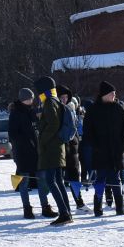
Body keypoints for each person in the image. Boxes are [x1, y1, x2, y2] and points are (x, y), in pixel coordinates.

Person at [81, 81, 124, 216]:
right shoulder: (93, 109)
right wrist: (95, 145)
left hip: (116, 150)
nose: (114, 96)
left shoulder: (118, 108)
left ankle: (120, 207)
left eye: (115, 93)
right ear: (104, 94)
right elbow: (87, 130)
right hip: (100, 151)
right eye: (111, 94)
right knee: (100, 180)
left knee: (116, 179)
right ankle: (98, 208)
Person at [35, 77, 76, 225]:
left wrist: (43, 140)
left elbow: (53, 124)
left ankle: (64, 213)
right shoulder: (55, 101)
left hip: (51, 148)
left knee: (51, 181)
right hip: (57, 147)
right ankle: (67, 212)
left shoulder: (49, 102)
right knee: (57, 180)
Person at [8, 88, 50, 219]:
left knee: (42, 180)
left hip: (37, 152)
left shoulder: (32, 111)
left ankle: (45, 207)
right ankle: (27, 208)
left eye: (32, 98)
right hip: (23, 153)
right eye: (29, 98)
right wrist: (26, 143)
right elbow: (13, 135)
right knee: (24, 182)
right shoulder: (15, 113)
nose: (31, 100)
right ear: (23, 99)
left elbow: (37, 128)